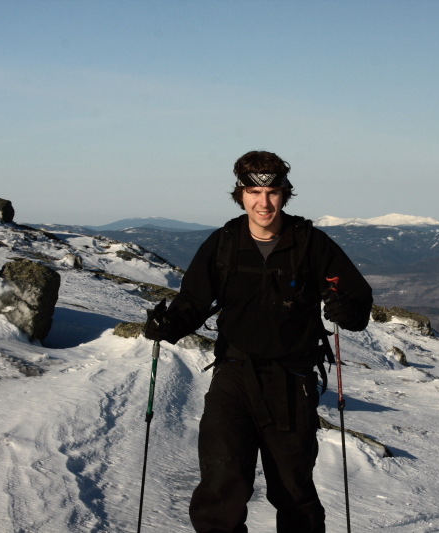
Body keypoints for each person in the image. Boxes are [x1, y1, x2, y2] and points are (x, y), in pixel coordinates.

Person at [144, 150, 373, 533]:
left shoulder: (311, 244)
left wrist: (343, 308)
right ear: (241, 194)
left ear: (285, 194)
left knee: (293, 489)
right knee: (221, 483)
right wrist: (165, 327)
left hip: (292, 380)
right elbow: (193, 303)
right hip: (233, 376)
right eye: (253, 192)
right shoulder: (224, 244)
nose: (263, 203)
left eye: (273, 193)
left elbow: (358, 306)